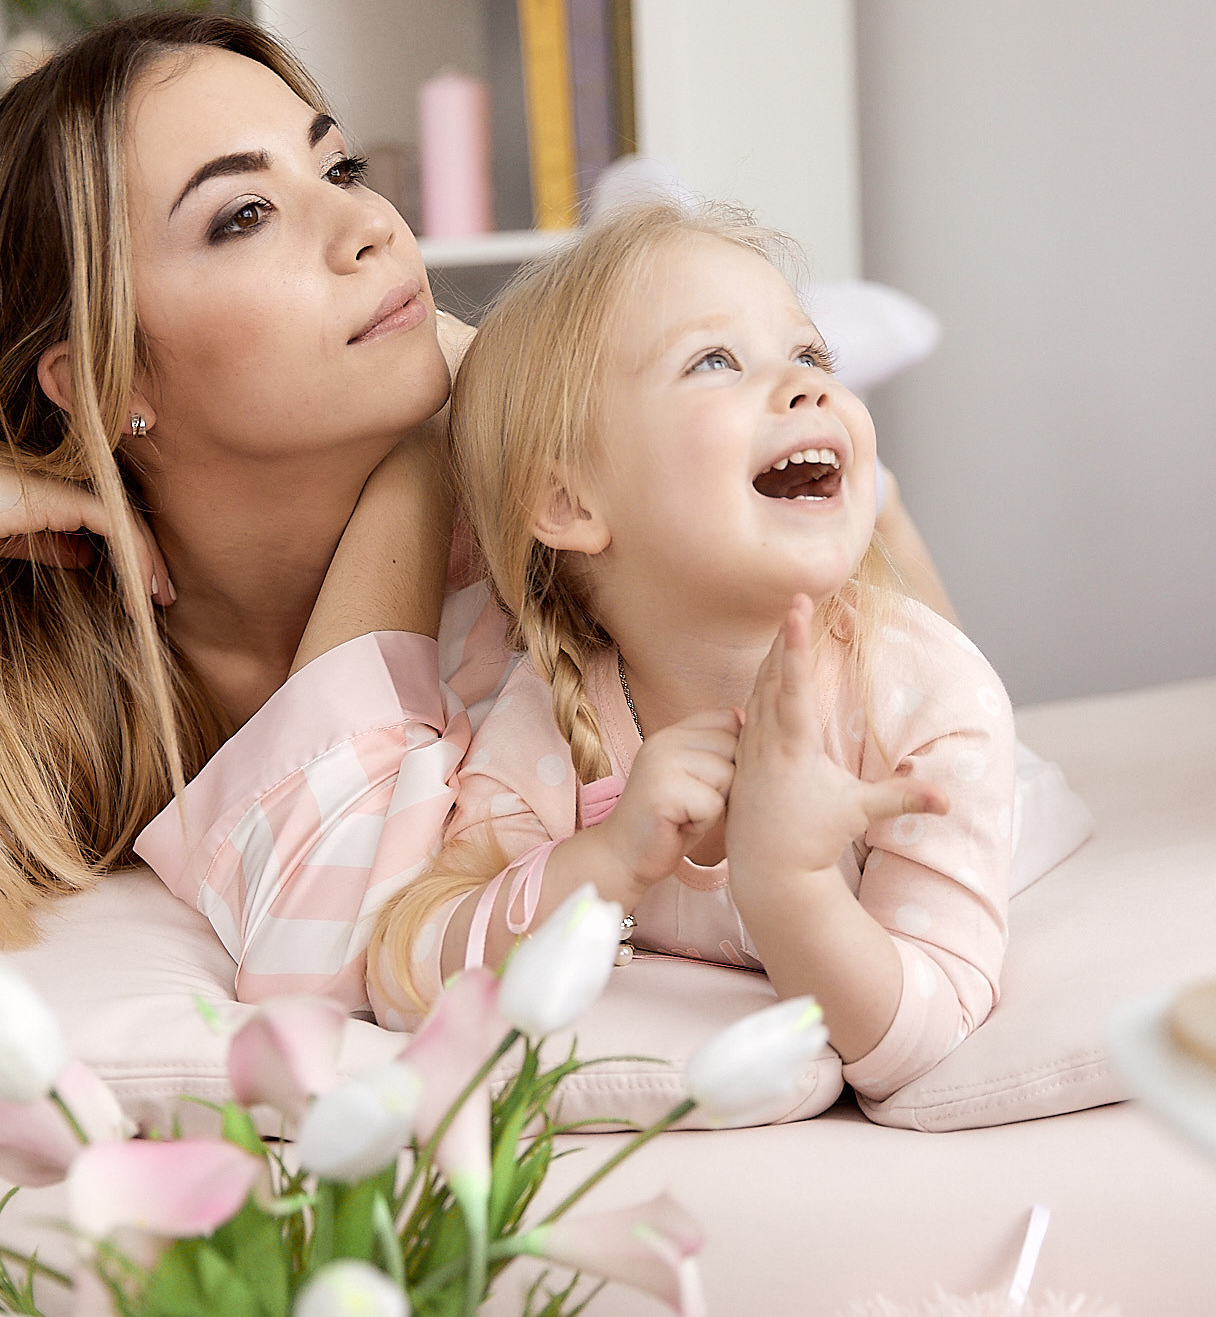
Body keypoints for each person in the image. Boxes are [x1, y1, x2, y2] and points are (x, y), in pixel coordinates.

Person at [0, 13, 962, 1082]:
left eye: (337, 169)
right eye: (240, 216)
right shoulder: (36, 675)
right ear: (105, 379)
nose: (370, 228)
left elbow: (930, 710)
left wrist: (441, 431)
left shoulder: (546, 513)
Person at [369, 203, 1014, 1098]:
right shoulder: (557, 718)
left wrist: (789, 883)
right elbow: (407, 974)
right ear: (570, 502)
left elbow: (926, 1033)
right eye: (716, 360)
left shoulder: (932, 699)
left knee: (1002, 733)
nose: (808, 386)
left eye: (811, 355)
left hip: (1003, 780)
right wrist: (605, 862)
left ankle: (886, 512)